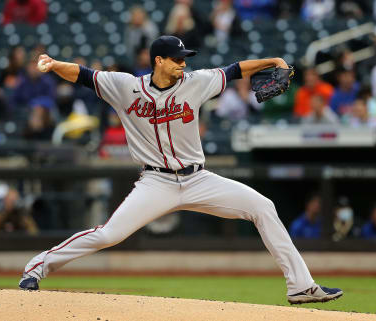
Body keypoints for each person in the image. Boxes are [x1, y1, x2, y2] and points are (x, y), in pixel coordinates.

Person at [19, 35, 343, 304]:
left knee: (263, 207)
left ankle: (300, 286)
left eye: (184, 58)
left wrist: (273, 61)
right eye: (177, 59)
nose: (183, 63)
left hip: (198, 179)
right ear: (158, 61)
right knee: (109, 234)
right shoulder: (125, 86)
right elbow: (83, 74)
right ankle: (36, 268)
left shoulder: (196, 82)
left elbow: (234, 70)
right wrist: (53, 64)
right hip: (155, 182)